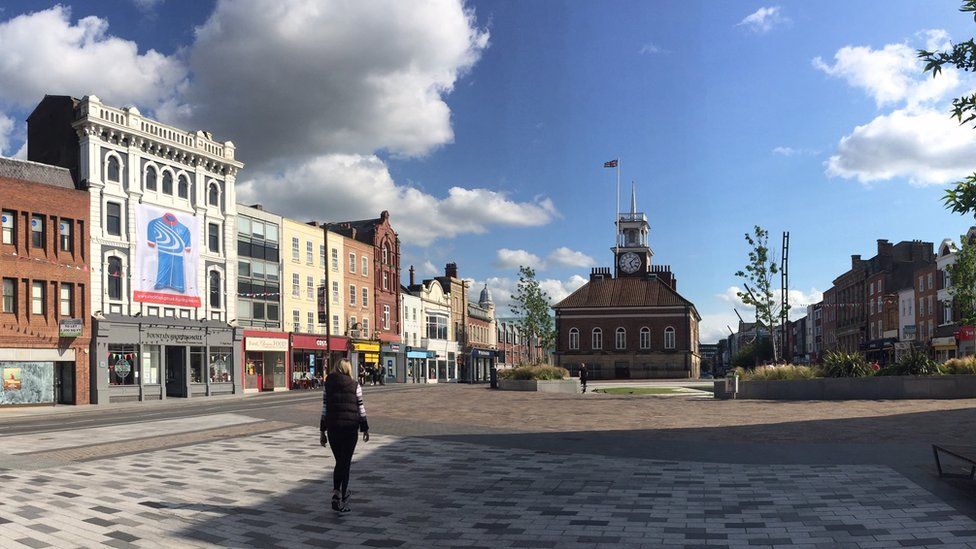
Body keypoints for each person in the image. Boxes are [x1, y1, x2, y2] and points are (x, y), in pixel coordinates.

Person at [319, 359, 369, 514]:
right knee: (345, 463)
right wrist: (365, 427)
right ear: (348, 369)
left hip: (333, 428)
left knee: (339, 461)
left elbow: (325, 408)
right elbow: (361, 407)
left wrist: (322, 430)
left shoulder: (328, 384)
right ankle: (343, 495)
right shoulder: (355, 385)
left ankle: (336, 493)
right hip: (349, 428)